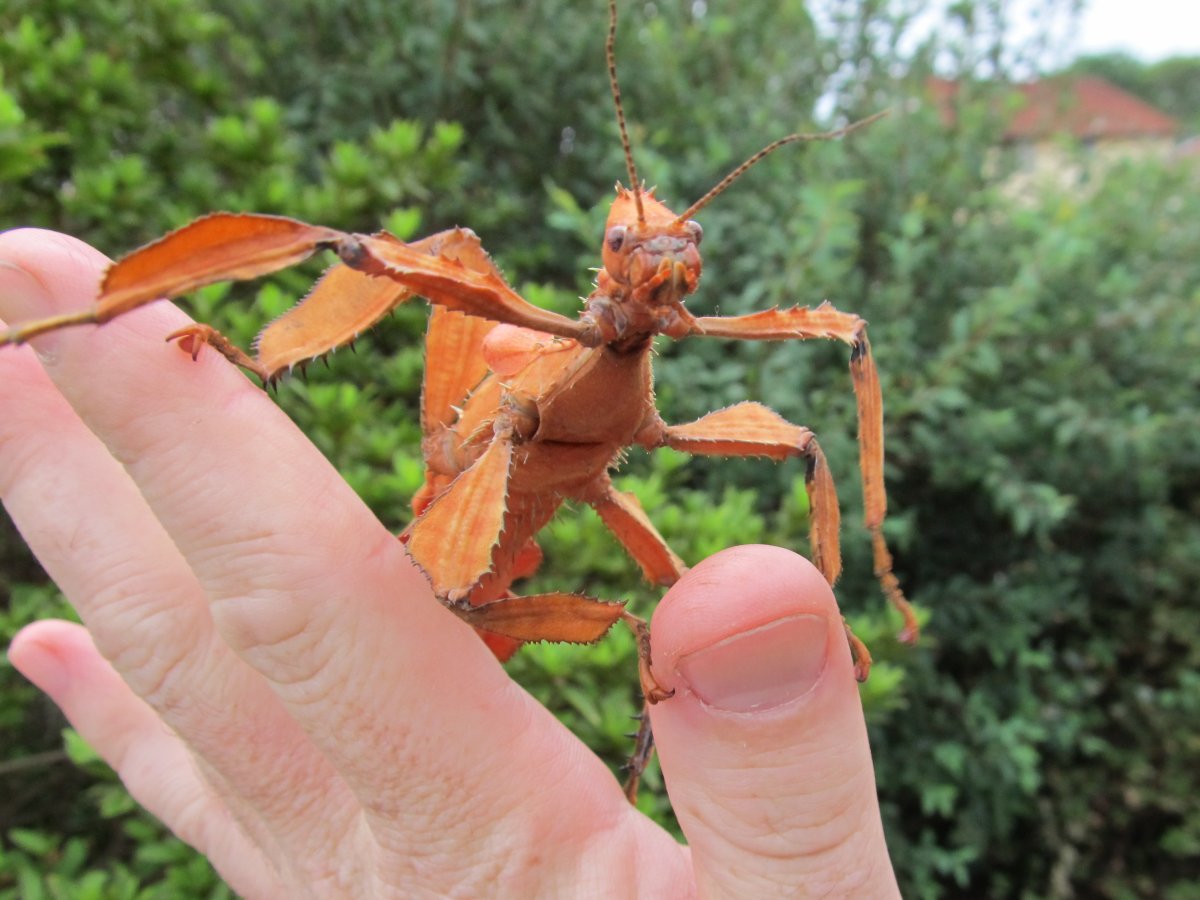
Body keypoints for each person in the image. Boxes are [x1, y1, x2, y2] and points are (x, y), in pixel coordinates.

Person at [0, 228, 900, 898]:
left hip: (512, 549)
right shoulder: (539, 350)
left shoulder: (651, 347)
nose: (663, 265)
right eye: (634, 249)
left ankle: (836, 599)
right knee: (426, 257)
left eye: (681, 255)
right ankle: (251, 356)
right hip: (458, 505)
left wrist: (857, 577)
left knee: (777, 477)